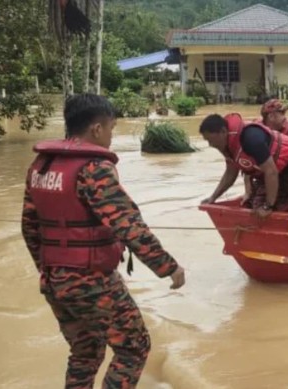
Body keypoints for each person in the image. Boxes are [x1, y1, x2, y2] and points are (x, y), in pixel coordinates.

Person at [21, 94, 186, 389]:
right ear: (97, 129)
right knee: (134, 347)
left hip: (53, 279)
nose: (111, 136)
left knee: (85, 351)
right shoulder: (93, 168)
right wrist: (168, 267)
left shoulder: (41, 165)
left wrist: (49, 270)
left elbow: (29, 228)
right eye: (111, 128)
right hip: (90, 280)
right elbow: (128, 225)